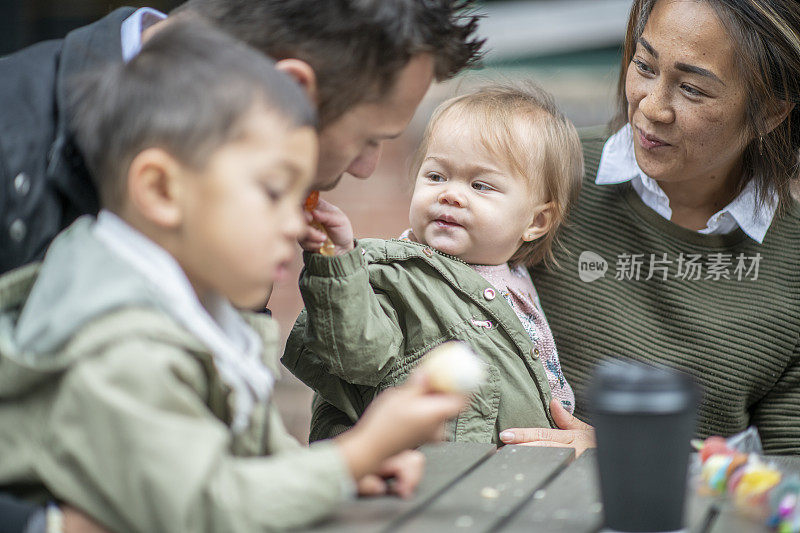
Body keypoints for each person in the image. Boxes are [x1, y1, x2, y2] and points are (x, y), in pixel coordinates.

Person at [0, 21, 468, 532]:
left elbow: (242, 468)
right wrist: (356, 453)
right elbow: (211, 511)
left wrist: (333, 474)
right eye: (273, 192)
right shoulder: (120, 346)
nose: (295, 222)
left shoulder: (204, 310)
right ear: (160, 191)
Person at [500, 0, 800, 455]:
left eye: (693, 89)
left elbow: (783, 488)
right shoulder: (537, 175)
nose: (652, 107)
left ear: (771, 112)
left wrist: (630, 453)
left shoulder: (791, 263)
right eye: (644, 65)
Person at [0, 0, 483, 273]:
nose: (366, 167)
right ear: (292, 89)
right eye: (368, 139)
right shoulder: (12, 143)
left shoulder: (237, 165)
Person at [282, 85, 584, 444]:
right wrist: (337, 261)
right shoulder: (391, 275)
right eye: (436, 176)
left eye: (480, 185)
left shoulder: (517, 280)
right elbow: (356, 355)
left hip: (506, 479)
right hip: (423, 478)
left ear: (536, 223)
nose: (450, 194)